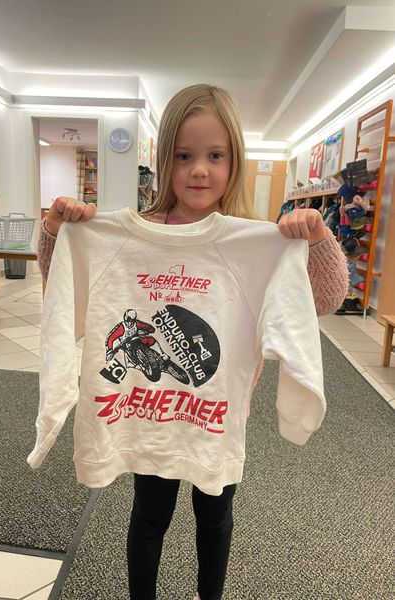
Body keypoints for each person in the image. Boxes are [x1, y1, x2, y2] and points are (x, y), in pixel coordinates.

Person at [37, 84, 348, 600]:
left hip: (216, 413)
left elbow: (324, 298)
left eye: (214, 156)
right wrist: (59, 235)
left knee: (215, 515)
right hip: (146, 412)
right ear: (165, 161)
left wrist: (315, 241)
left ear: (234, 161)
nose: (199, 170)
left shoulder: (255, 239)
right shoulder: (130, 235)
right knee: (150, 514)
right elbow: (69, 292)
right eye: (184, 156)